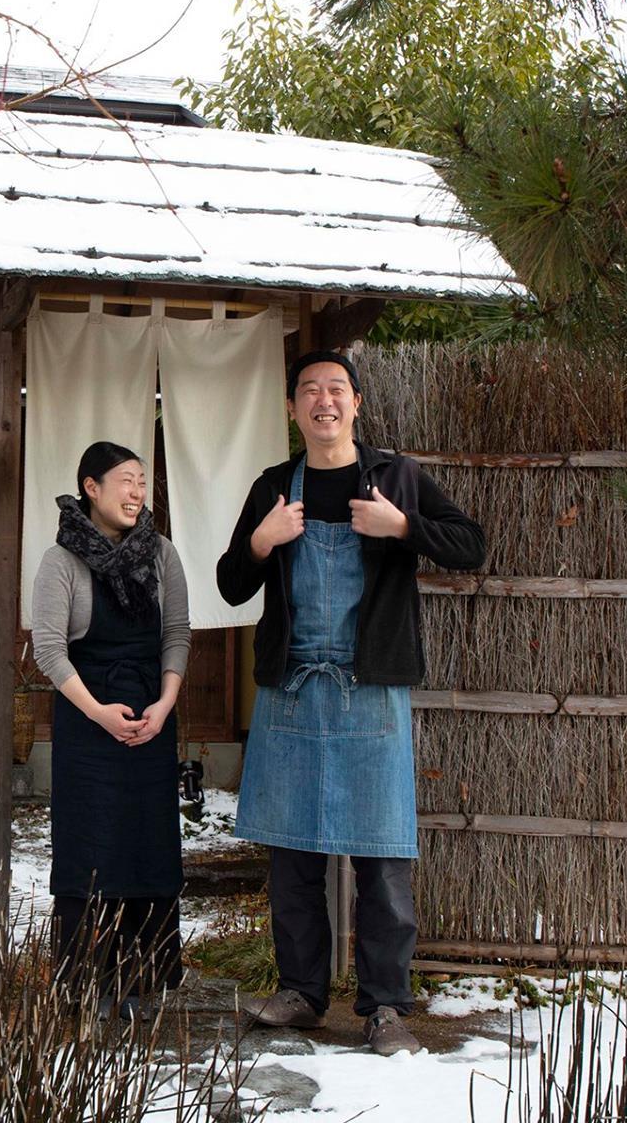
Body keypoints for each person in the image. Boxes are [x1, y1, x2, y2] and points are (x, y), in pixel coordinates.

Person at [217, 351, 485, 1056]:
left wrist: (403, 528)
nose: (324, 401)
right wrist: (259, 541)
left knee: (382, 859)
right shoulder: (275, 487)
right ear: (293, 408)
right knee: (292, 856)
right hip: (293, 688)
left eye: (336, 389)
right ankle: (302, 994)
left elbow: (471, 545)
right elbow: (230, 583)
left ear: (357, 403)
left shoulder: (397, 477)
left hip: (372, 692)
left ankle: (386, 1007)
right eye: (310, 390)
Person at [31, 441, 191, 1019]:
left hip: (151, 718)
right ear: (90, 488)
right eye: (125, 480)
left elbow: (177, 635)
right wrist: (98, 711)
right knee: (90, 847)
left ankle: (144, 981)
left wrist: (166, 704)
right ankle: (86, 985)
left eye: (143, 482)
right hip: (86, 722)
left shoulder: (162, 554)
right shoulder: (61, 560)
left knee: (148, 845)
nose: (136, 492)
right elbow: (47, 650)